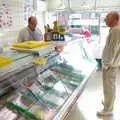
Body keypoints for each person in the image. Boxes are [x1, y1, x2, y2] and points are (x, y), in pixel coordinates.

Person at [97, 11, 120, 117]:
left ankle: (108, 109)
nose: (105, 19)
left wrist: (106, 65)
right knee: (110, 86)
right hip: (112, 64)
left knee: (109, 87)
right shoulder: (114, 29)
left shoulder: (116, 30)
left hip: (110, 65)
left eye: (108, 17)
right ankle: (108, 103)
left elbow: (112, 49)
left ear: (115, 19)